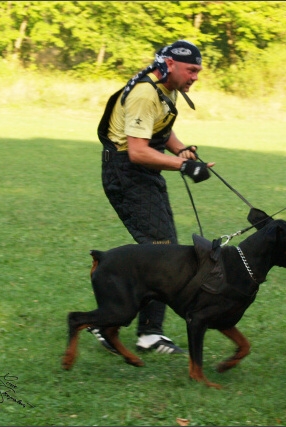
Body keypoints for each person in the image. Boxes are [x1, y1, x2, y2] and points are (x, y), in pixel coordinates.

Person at [89, 40, 214, 355]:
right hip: (125, 174)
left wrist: (182, 151)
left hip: (142, 176)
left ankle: (136, 328)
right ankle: (125, 328)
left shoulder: (165, 88)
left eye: (198, 70)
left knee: (162, 251)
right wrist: (184, 165)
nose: (196, 76)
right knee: (161, 253)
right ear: (171, 64)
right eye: (192, 69)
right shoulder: (146, 93)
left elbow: (161, 130)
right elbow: (137, 151)